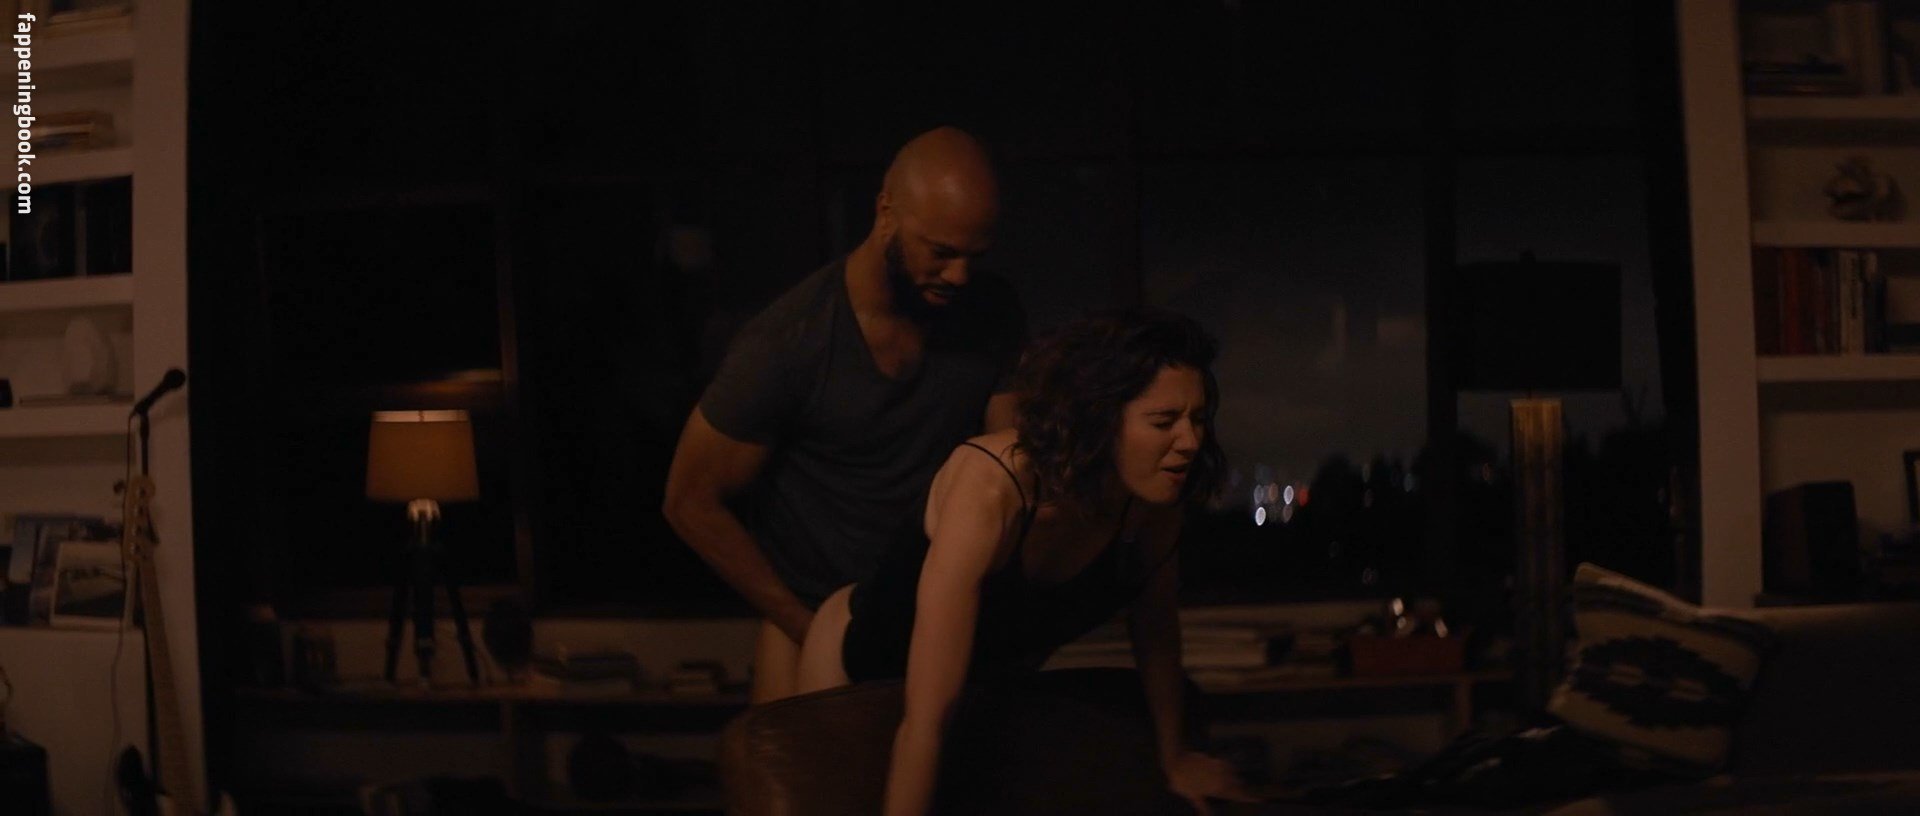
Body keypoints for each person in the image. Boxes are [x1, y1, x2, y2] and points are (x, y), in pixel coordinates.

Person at [795, 310, 1255, 816]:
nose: (1190, 441)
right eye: (1164, 422)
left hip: (981, 691)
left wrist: (1174, 758)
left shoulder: (1152, 503)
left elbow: (1157, 629)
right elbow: (926, 721)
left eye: (1197, 419)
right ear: (1099, 419)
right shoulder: (993, 486)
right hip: (857, 670)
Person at [662, 127, 1025, 703]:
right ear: (886, 213)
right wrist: (809, 632)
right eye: (940, 252)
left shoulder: (992, 313)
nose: (959, 275)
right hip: (822, 620)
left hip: (940, 618)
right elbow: (689, 500)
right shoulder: (789, 342)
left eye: (973, 257)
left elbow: (1010, 466)